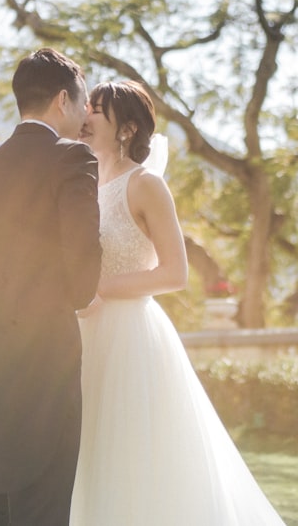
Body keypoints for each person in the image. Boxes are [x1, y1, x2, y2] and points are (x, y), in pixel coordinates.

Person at [70, 81, 285, 525]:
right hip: (85, 335)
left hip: (130, 336)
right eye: (86, 107)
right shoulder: (85, 183)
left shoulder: (145, 184)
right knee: (89, 452)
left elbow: (174, 274)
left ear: (127, 128)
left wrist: (99, 288)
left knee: (132, 454)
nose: (85, 116)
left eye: (96, 110)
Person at [0, 47, 101, 526]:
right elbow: (81, 276)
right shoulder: (73, 158)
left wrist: (7, 287)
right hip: (43, 349)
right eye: (82, 103)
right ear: (62, 100)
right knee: (42, 495)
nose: (84, 115)